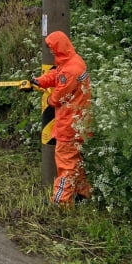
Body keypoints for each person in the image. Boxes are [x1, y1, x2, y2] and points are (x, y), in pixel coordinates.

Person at [31, 30, 92, 205]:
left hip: (69, 123)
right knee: (75, 162)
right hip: (78, 121)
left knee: (65, 163)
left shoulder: (71, 69)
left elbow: (58, 96)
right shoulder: (73, 62)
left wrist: (49, 99)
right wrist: (40, 81)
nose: (50, 51)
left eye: (52, 47)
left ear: (59, 47)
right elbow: (58, 75)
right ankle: (83, 194)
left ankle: (60, 202)